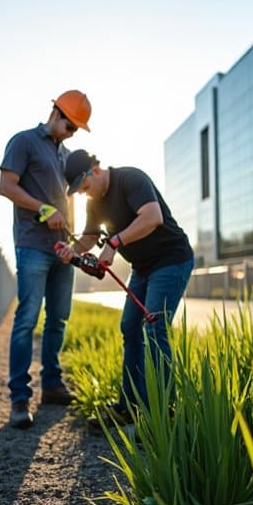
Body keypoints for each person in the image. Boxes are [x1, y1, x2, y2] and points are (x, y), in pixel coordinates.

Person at [56, 149, 194, 428]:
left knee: (155, 329)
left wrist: (115, 243)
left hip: (171, 259)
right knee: (129, 327)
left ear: (95, 170)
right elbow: (91, 237)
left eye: (84, 187)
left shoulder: (131, 179)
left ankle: (161, 417)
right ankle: (128, 407)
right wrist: (72, 251)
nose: (84, 194)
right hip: (142, 268)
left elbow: (152, 217)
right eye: (79, 192)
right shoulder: (94, 203)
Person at [0, 90, 92, 429]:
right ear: (56, 114)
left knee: (58, 320)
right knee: (27, 319)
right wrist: (42, 208)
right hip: (33, 245)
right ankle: (19, 399)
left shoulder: (65, 155)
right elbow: (6, 186)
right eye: (71, 126)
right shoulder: (23, 141)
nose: (72, 133)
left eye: (77, 130)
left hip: (62, 250)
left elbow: (70, 199)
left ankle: (51, 384)